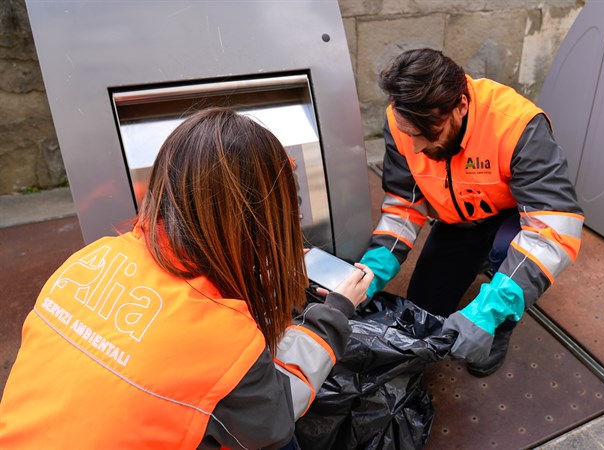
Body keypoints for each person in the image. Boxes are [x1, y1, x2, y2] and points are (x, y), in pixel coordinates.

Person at [0, 107, 374, 449]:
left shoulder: (89, 259)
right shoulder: (224, 335)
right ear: (264, 217)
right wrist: (333, 315)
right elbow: (270, 427)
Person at [359, 48, 583, 377]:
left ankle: (501, 320)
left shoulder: (518, 126)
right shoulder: (401, 120)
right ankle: (480, 263)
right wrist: (373, 269)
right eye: (410, 136)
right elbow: (405, 202)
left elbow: (553, 231)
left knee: (512, 263)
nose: (417, 148)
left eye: (428, 135)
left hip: (514, 221)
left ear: (461, 106)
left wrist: (488, 312)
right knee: (423, 314)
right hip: (459, 221)